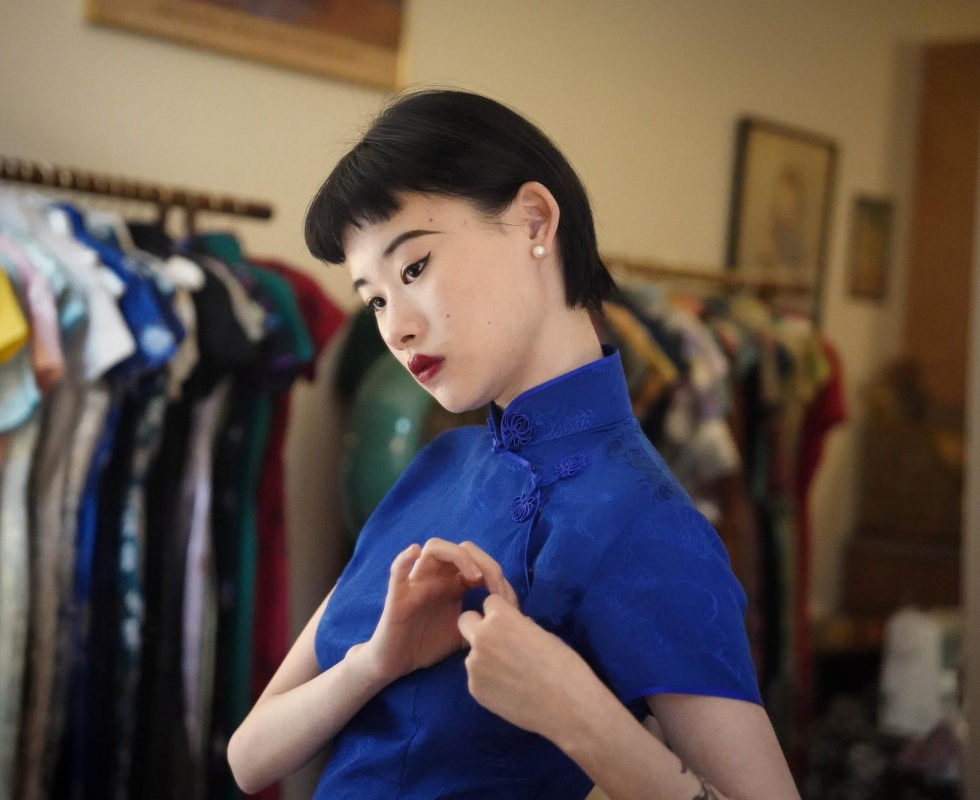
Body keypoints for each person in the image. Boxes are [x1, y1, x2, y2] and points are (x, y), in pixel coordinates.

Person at [228, 89, 799, 799]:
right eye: (374, 297)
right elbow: (248, 758)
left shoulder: (644, 522)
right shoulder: (435, 470)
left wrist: (580, 716)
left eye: (413, 269)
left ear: (534, 219)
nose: (396, 327)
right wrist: (376, 661)